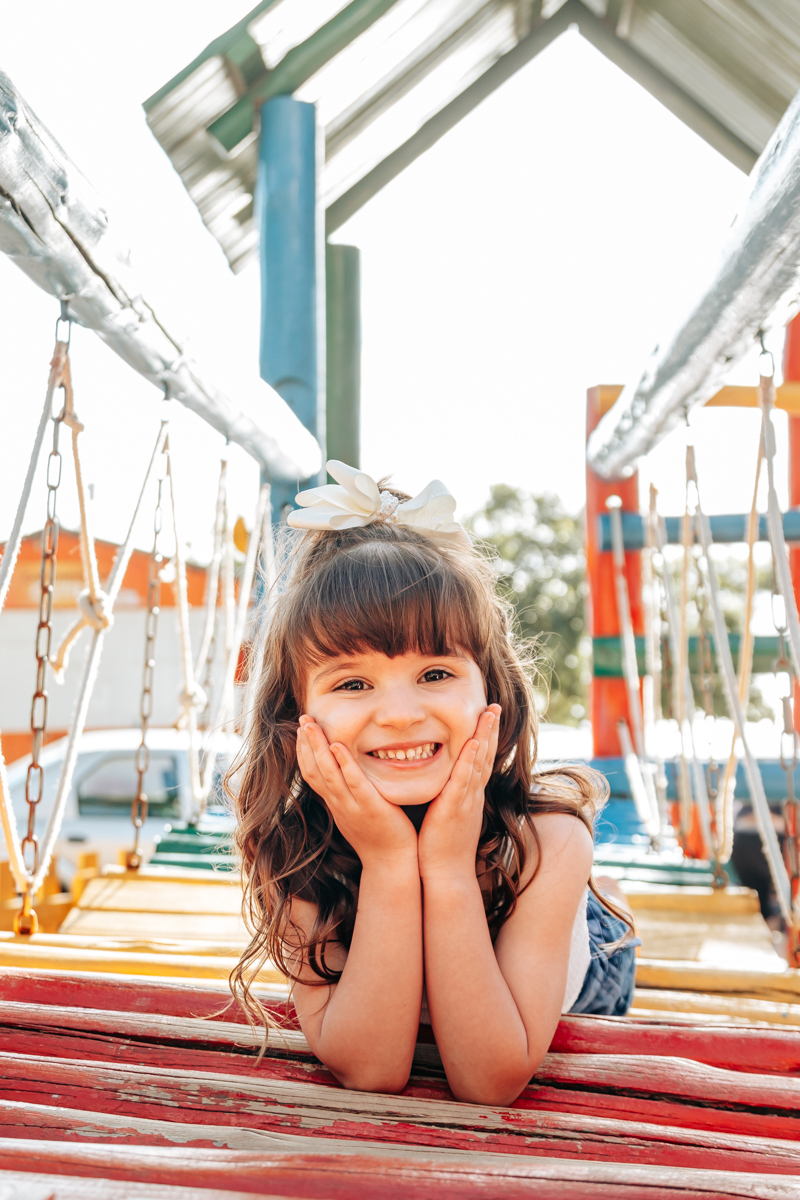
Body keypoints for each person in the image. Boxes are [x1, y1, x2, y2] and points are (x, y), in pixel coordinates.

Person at [230, 461, 638, 1107]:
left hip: (577, 972)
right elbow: (372, 1071)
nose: (399, 713)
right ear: (295, 713)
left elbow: (490, 1080)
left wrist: (446, 867)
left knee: (593, 921)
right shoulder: (290, 847)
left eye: (435, 673)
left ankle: (600, 901)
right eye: (352, 683)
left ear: (491, 689)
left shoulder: (546, 842)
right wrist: (392, 862)